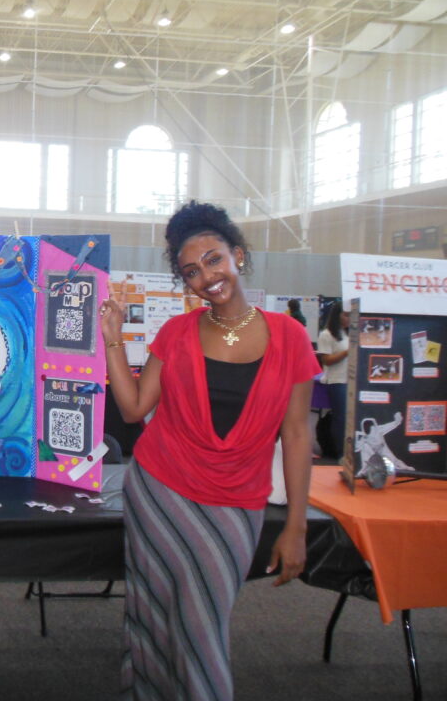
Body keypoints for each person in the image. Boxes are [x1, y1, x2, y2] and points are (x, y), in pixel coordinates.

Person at [98, 200, 319, 701]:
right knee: (154, 610)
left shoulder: (290, 336)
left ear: (237, 254)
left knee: (203, 623)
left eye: (214, 259)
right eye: (192, 271)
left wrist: (297, 527)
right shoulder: (177, 333)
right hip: (159, 493)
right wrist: (113, 340)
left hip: (237, 502)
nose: (206, 277)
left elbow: (297, 435)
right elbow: (133, 409)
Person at [316, 301, 349, 459]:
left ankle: (349, 452)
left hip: (351, 381)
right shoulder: (326, 334)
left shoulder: (349, 334)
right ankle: (341, 453)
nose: (349, 318)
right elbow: (326, 360)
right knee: (340, 418)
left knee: (349, 419)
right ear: (337, 315)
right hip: (337, 381)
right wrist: (347, 352)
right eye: (346, 315)